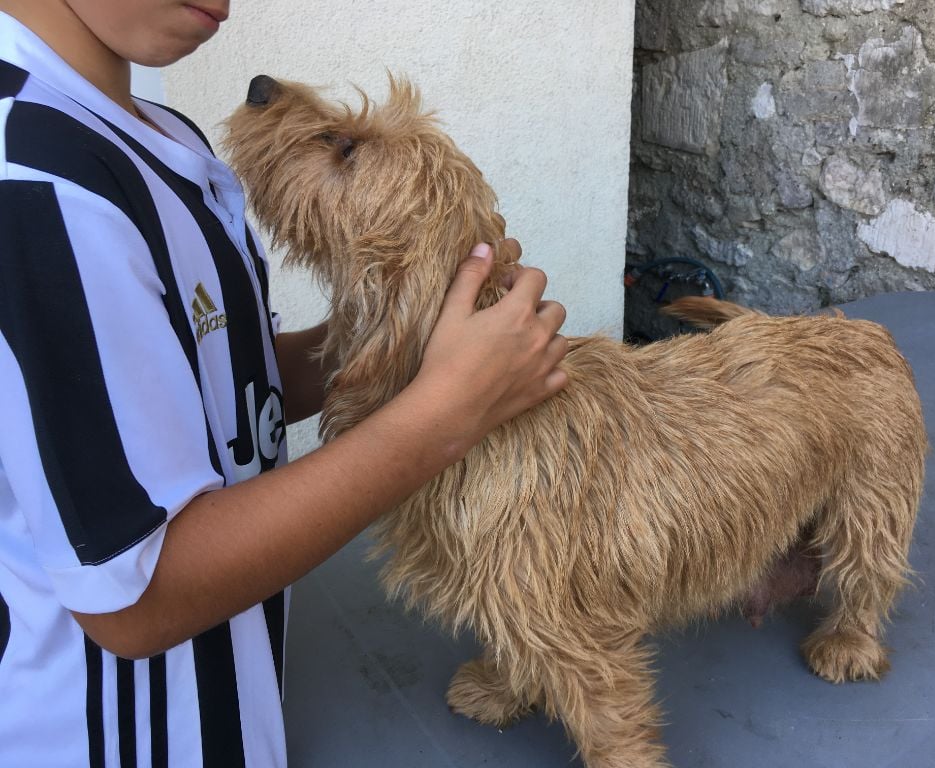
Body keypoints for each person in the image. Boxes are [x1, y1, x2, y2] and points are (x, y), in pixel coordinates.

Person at [0, 1, 568, 765]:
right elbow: (137, 599)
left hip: (230, 698)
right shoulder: (38, 184)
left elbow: (212, 381)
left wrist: (412, 344)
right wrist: (445, 413)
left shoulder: (151, 132)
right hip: (123, 734)